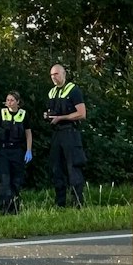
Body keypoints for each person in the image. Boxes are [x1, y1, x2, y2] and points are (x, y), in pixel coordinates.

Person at [44, 63, 87, 207]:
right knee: (57, 168)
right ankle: (60, 203)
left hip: (70, 133)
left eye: (56, 74)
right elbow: (52, 111)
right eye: (51, 75)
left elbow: (81, 113)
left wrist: (61, 118)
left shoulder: (73, 90)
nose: (53, 77)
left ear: (64, 74)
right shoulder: (51, 92)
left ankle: (77, 203)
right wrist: (48, 116)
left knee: (73, 168)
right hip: (56, 133)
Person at [0, 91, 33, 214]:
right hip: (3, 151)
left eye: (12, 100)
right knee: (4, 179)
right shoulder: (2, 113)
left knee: (16, 180)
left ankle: (14, 207)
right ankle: (3, 208)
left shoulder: (23, 115)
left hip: (18, 151)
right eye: (7, 100)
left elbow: (28, 133)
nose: (9, 102)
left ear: (18, 102)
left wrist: (29, 150)